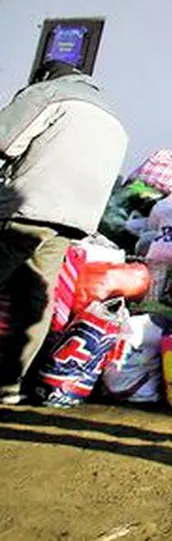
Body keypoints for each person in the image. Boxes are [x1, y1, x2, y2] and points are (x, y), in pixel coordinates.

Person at [0, 60, 128, 403]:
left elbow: (5, 139)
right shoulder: (112, 117)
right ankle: (9, 384)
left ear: (42, 76)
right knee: (37, 294)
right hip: (73, 219)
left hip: (26, 207)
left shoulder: (47, 93)